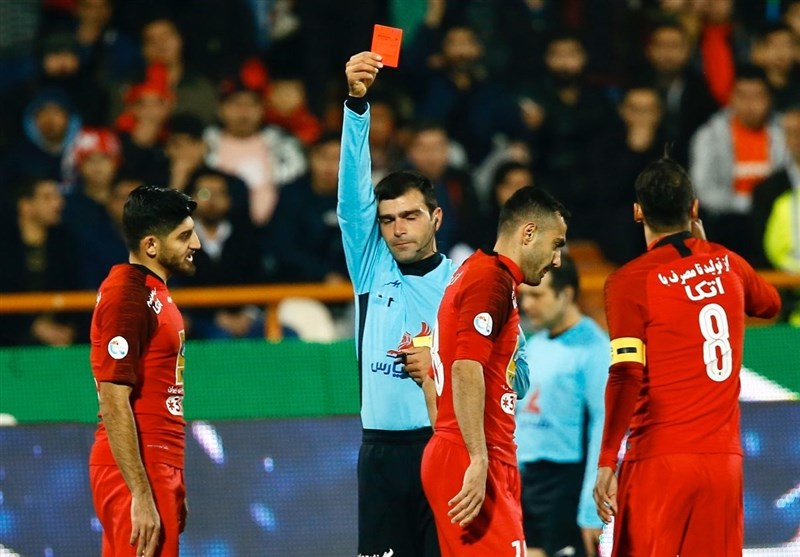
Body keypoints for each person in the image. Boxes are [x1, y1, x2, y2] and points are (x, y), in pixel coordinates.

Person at [593, 154, 781, 556]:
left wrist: (608, 458)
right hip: (722, 465)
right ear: (694, 208)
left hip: (660, 459)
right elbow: (770, 304)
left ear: (638, 212)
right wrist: (706, 249)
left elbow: (627, 373)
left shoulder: (629, 282)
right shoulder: (727, 263)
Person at [340, 50, 455, 557]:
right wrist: (356, 107)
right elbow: (351, 200)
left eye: (410, 217)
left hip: (442, 446)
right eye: (387, 220)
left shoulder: (462, 284)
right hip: (381, 454)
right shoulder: (371, 268)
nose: (397, 229)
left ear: (436, 218)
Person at [422, 185, 568, 557]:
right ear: (529, 233)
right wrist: (475, 457)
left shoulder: (478, 273)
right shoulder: (491, 280)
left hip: (473, 450)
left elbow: (434, 373)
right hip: (473, 454)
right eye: (556, 245)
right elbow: (465, 367)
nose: (557, 260)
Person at [88, 185, 201, 557]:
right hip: (137, 466)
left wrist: (173, 477)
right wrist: (140, 491)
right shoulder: (128, 295)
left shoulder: (153, 292)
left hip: (156, 463)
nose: (196, 244)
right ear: (151, 245)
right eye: (184, 236)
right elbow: (113, 398)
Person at [516, 252, 608, 557]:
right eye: (524, 295)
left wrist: (591, 507)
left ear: (566, 294)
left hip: (567, 484)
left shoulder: (594, 348)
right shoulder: (534, 345)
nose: (527, 304)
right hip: (527, 482)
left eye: (537, 295)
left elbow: (602, 426)